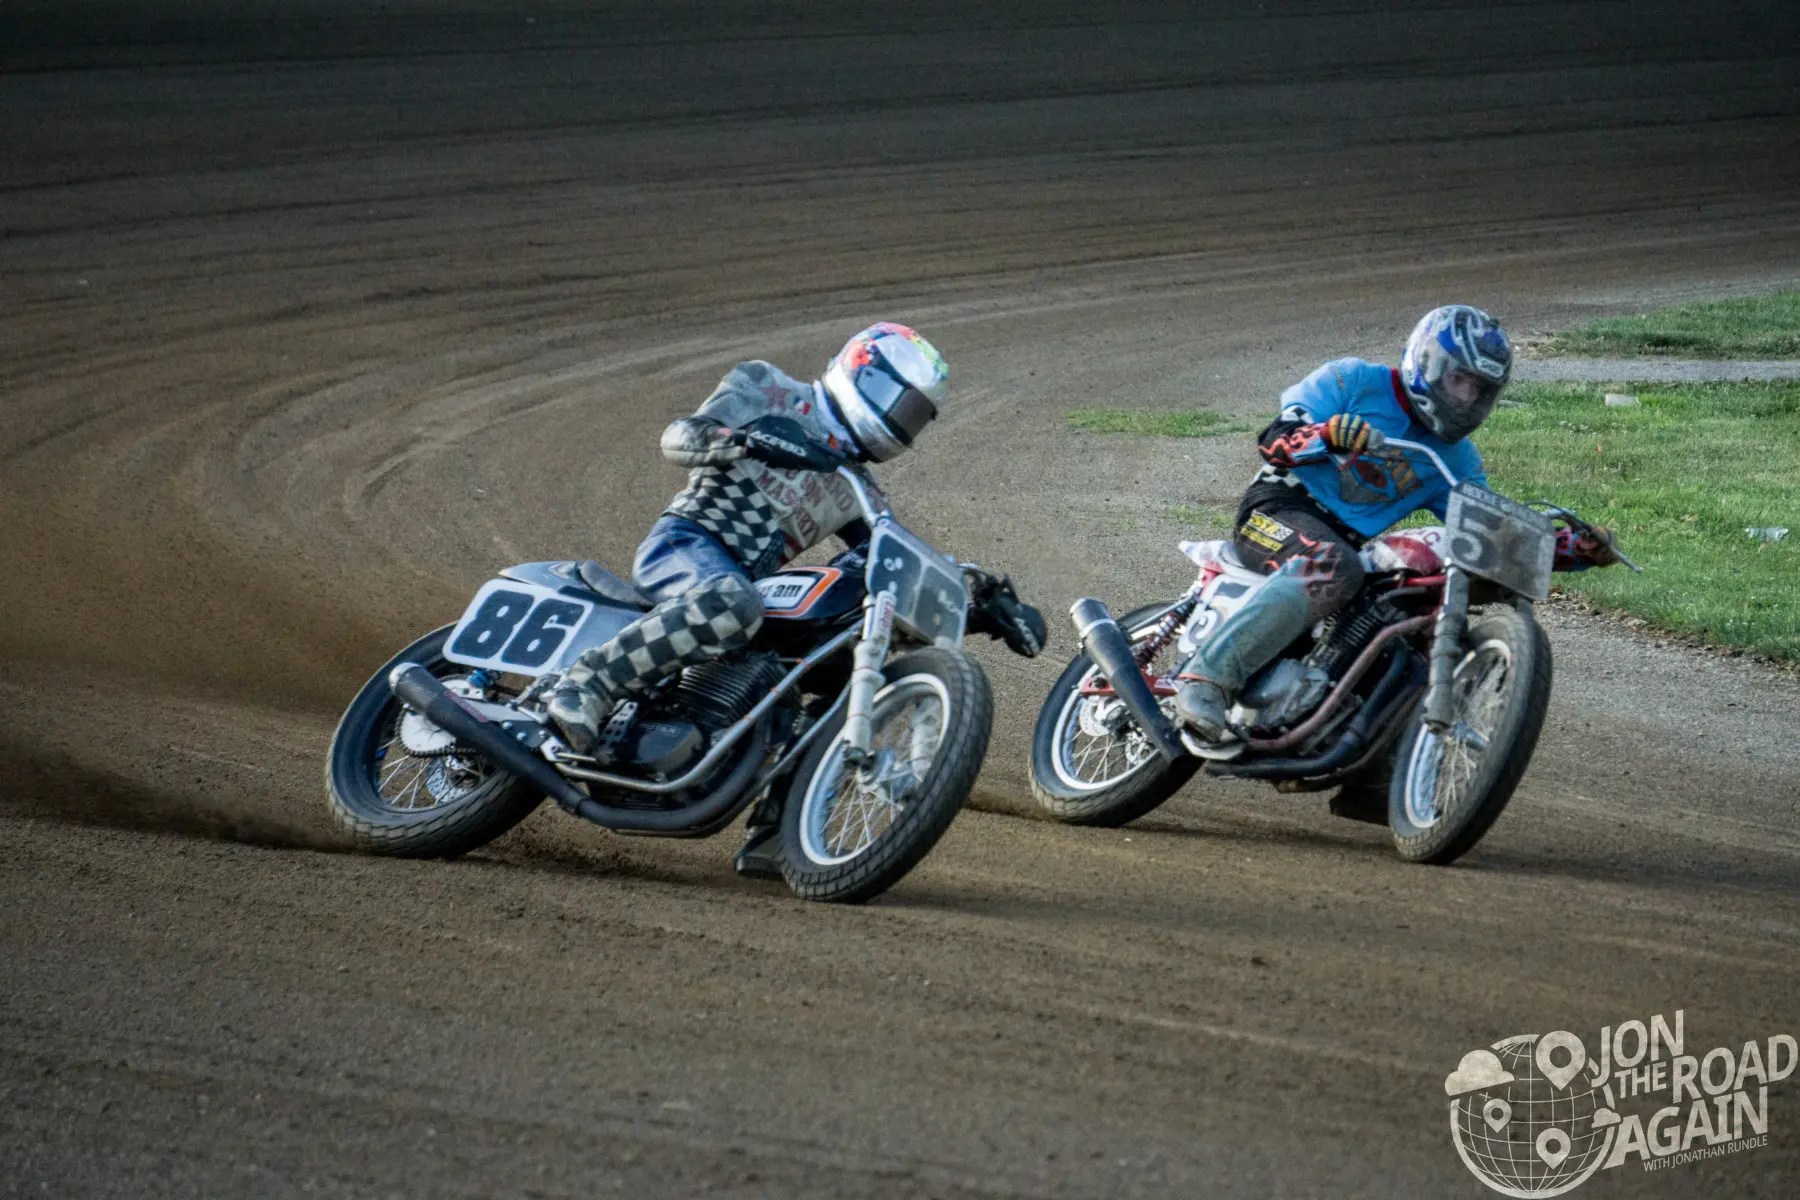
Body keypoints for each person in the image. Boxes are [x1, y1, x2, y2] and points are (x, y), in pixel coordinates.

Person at [545, 321, 1045, 874]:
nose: (902, 425)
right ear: (862, 370)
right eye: (898, 404)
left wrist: (980, 608)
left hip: (745, 585)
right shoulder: (768, 387)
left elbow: (889, 565)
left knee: (836, 651)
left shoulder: (859, 488)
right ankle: (585, 686)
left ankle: (777, 828)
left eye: (915, 417)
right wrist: (728, 440)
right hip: (688, 542)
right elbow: (679, 435)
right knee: (733, 604)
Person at [1174, 304, 1621, 742]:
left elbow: (1488, 532)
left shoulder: (1458, 459)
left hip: (1346, 544)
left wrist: (1574, 550)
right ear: (1426, 362)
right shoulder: (1351, 380)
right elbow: (1274, 441)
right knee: (1334, 564)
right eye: (1458, 379)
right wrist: (1328, 435)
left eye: (1478, 389)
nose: (1465, 397)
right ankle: (1206, 678)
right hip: (1277, 508)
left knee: (1403, 605)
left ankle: (1373, 758)